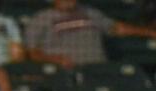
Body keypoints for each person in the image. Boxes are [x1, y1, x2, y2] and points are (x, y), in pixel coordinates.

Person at [25, 0, 156, 68]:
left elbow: (116, 28)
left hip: (98, 69)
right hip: (66, 72)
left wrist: (149, 33)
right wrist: (54, 60)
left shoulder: (89, 12)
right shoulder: (41, 19)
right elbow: (32, 52)